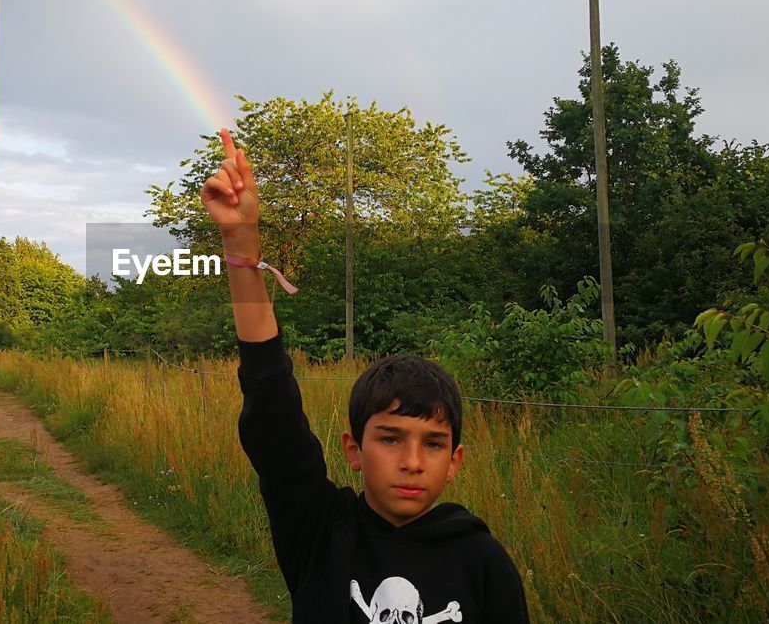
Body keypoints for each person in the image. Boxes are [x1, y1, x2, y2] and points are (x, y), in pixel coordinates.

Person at [201, 129, 530, 623]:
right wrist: (240, 240)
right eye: (391, 438)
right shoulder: (321, 535)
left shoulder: (483, 563)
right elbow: (272, 408)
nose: (413, 462)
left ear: (455, 460)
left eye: (434, 443)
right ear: (353, 450)